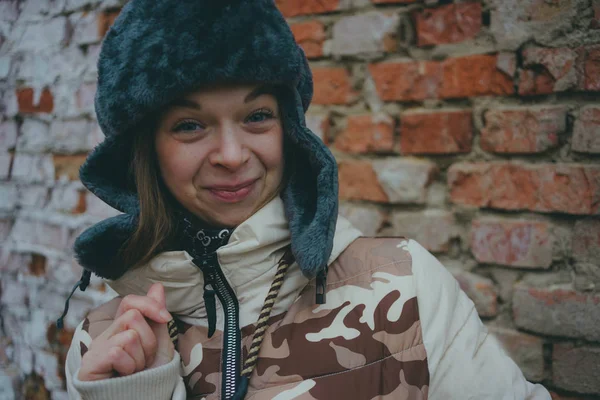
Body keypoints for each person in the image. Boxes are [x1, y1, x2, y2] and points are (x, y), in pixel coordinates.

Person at [62, 0, 552, 399]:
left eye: (257, 116)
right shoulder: (106, 347)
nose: (233, 156)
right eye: (190, 125)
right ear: (145, 150)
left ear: (290, 129)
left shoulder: (403, 287)